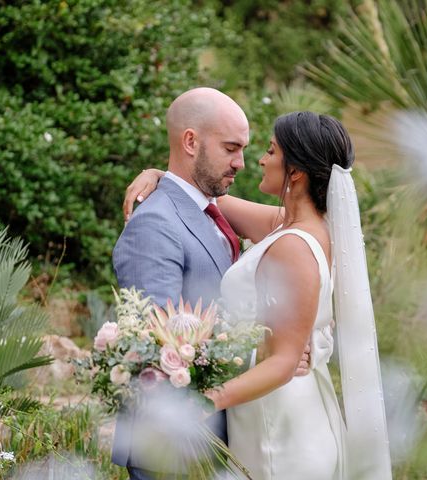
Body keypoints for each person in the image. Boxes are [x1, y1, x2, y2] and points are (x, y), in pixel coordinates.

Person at [125, 111, 393, 479]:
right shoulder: (294, 227)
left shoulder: (294, 246)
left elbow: (283, 362)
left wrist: (203, 402)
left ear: (295, 172)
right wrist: (160, 176)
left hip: (279, 427)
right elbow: (205, 201)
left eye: (270, 151)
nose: (260, 161)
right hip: (270, 412)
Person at [112, 87, 311, 480]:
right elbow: (163, 351)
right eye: (230, 148)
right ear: (190, 141)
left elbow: (303, 224)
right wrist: (268, 353)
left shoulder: (210, 209)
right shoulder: (155, 224)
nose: (241, 162)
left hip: (219, 433)